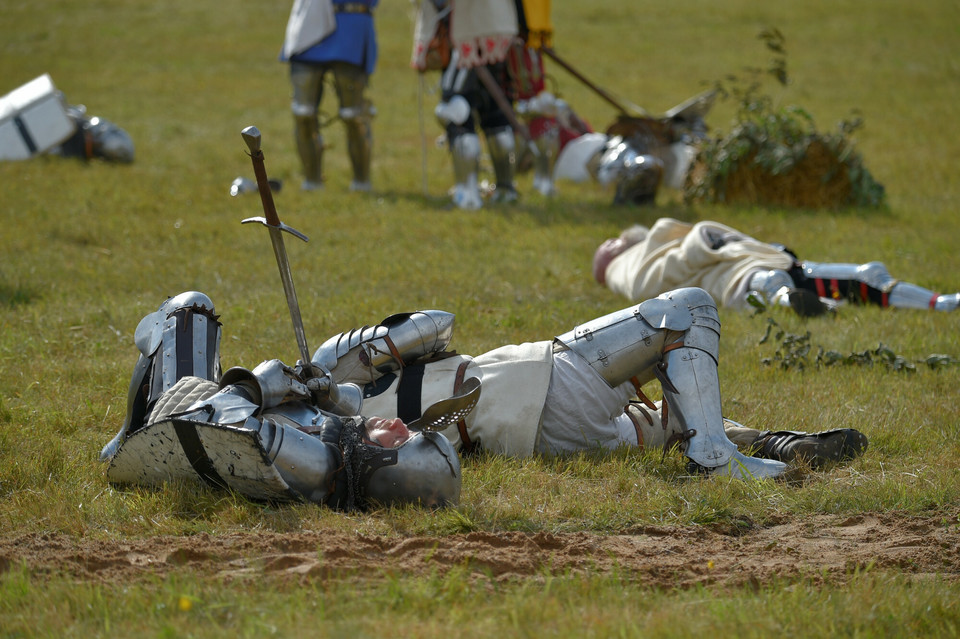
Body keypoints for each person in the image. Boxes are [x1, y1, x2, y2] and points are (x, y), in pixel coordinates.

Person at [101, 288, 867, 510]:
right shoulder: (341, 379)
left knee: (657, 412)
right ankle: (716, 455)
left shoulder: (325, 419)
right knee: (687, 311)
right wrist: (365, 354)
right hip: (540, 382)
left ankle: (769, 441)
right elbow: (434, 321)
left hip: (546, 437)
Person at [100, 292, 461, 511]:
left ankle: (126, 433)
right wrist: (323, 392)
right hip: (196, 413)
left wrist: (258, 384)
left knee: (189, 309)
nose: (399, 424)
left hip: (169, 420)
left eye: (402, 439)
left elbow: (220, 423)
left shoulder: (319, 464)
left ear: (385, 469)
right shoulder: (339, 465)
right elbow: (335, 413)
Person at [593, 218, 960, 315]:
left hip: (757, 258)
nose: (609, 244)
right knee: (769, 281)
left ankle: (942, 302)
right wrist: (698, 245)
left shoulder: (659, 240)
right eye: (606, 249)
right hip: (735, 276)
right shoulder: (626, 266)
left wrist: (711, 243)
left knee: (869, 274)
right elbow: (643, 283)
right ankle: (797, 303)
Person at [414, 0, 521, 209]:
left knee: (455, 111)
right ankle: (505, 189)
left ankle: (467, 195)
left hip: (466, 31)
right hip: (496, 27)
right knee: (494, 115)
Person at [280, 0, 377, 192]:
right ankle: (312, 182)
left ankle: (361, 182)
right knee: (303, 113)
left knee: (353, 114)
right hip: (310, 19)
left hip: (351, 19)